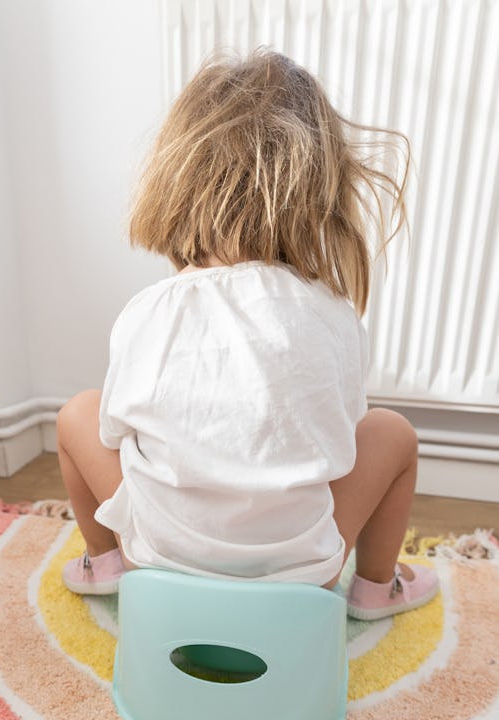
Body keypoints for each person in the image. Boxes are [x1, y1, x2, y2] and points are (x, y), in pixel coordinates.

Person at [57, 49, 438, 620]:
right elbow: (343, 442)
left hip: (156, 561)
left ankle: (106, 566)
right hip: (303, 574)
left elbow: (115, 434)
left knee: (76, 415)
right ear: (320, 192)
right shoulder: (331, 312)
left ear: (176, 180)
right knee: (394, 434)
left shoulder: (148, 311)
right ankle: (375, 589)